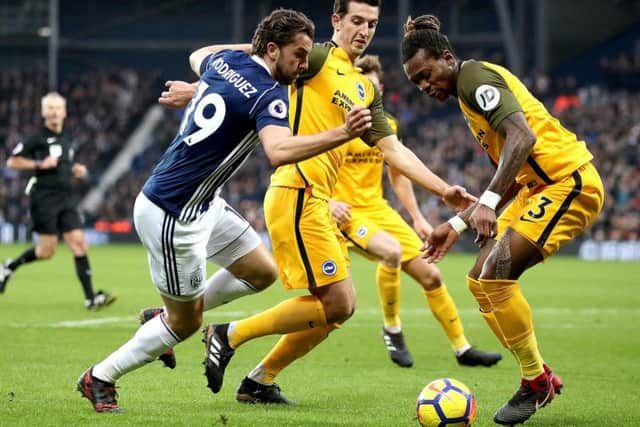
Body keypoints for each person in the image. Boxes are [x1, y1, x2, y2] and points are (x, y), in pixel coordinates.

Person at [76, 8, 374, 413]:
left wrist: (203, 85)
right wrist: (343, 132)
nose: (304, 66)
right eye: (298, 55)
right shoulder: (270, 94)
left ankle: (161, 316)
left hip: (203, 204)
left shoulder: (227, 61)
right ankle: (101, 376)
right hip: (172, 213)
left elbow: (199, 53)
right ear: (271, 49)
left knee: (261, 272)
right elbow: (278, 151)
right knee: (185, 324)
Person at [199, 0, 475, 405]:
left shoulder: (363, 87)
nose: (364, 30)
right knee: (338, 304)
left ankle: (259, 380)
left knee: (333, 310)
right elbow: (261, 60)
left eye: (372, 24)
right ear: (337, 21)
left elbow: (394, 151)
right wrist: (216, 70)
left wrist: (443, 189)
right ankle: (228, 334)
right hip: (297, 192)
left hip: (319, 200)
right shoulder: (317, 57)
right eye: (357, 21)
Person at [401, 14, 604, 425]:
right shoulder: (465, 95)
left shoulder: (474, 77)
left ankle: (535, 382)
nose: (424, 87)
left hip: (568, 182)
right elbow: (509, 169)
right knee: (479, 281)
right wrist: (457, 225)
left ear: (447, 57)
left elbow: (523, 137)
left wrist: (488, 204)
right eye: (417, 83)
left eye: (426, 74)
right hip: (537, 188)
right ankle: (539, 375)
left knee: (494, 277)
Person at [330, 54, 501, 368]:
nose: (367, 91)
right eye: (361, 85)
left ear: (379, 88)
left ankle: (463, 349)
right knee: (391, 252)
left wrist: (418, 218)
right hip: (348, 213)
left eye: (373, 86)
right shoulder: (340, 124)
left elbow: (398, 176)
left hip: (379, 210)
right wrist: (328, 202)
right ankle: (392, 328)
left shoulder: (388, 126)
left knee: (432, 276)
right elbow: (314, 166)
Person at [1, 92, 115, 310]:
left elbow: (62, 165)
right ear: (44, 113)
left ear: (64, 112)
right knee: (47, 251)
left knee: (79, 243)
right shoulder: (36, 138)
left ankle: (91, 298)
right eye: (50, 108)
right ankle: (9, 267)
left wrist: (74, 170)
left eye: (57, 108)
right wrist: (39, 164)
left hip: (66, 198)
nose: (54, 112)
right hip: (43, 197)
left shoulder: (68, 138)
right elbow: (12, 161)